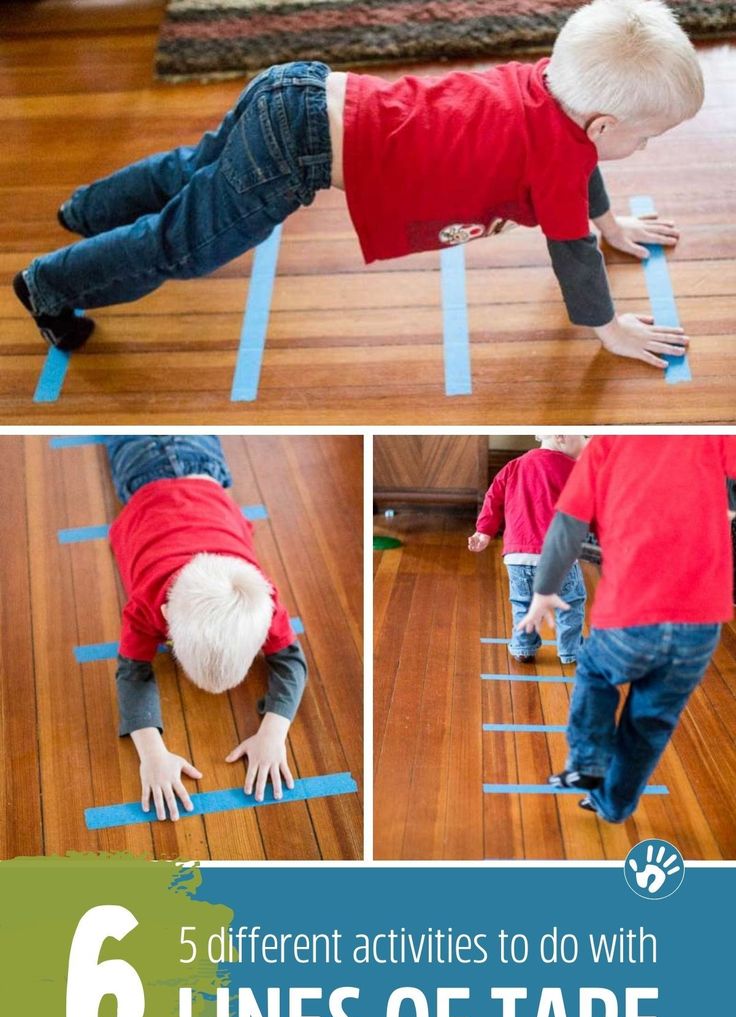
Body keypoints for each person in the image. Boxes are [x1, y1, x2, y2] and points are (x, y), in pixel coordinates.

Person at [15, 0, 698, 371]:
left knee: (192, 169)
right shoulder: (560, 156)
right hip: (296, 152)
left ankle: (85, 209)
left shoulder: (545, 85)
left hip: (299, 86)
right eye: (646, 136)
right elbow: (569, 246)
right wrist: (606, 326)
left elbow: (581, 181)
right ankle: (48, 285)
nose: (642, 148)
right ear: (602, 123)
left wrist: (611, 226)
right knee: (182, 247)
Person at [518, 435, 736, 823]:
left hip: (630, 614)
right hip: (700, 625)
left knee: (597, 672)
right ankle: (614, 804)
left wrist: (543, 592)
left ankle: (587, 761)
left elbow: (567, 528)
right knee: (651, 721)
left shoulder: (606, 445)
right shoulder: (710, 435)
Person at [106, 435, 307, 821]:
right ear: (165, 615)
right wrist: (151, 753)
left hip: (205, 474)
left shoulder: (259, 602)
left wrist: (273, 733)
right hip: (142, 470)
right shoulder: (145, 606)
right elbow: (131, 674)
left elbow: (292, 662)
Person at [468, 435, 587, 664]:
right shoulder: (574, 470)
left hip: (518, 557)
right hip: (558, 556)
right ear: (561, 437)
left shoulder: (514, 466)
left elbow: (493, 498)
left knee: (523, 603)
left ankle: (523, 647)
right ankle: (571, 650)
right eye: (582, 436)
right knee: (570, 602)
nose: (585, 441)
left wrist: (483, 532)